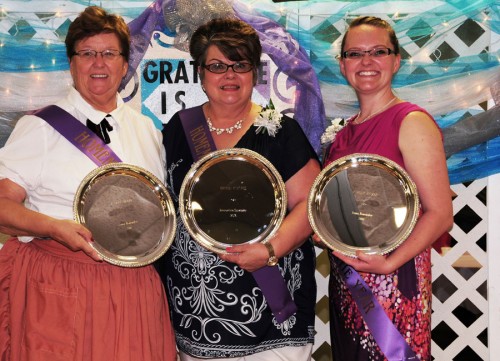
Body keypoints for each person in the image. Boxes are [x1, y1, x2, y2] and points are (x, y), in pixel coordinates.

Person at [0, 6, 176, 361]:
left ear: (125, 65)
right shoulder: (40, 127)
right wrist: (54, 227)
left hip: (133, 288)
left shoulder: (147, 130)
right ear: (72, 63)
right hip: (60, 284)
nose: (99, 63)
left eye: (109, 54)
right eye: (87, 53)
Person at [156, 18, 321, 360]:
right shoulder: (177, 130)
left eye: (240, 65)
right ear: (200, 73)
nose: (229, 75)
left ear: (254, 73)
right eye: (217, 66)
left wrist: (270, 250)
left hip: (271, 314)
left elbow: (309, 203)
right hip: (196, 314)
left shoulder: (281, 132)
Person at [322, 16, 454, 360]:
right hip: (347, 281)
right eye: (355, 54)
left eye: (378, 51)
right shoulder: (342, 133)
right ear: (342, 64)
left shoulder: (411, 122)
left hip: (394, 280)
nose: (366, 62)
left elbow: (440, 214)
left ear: (396, 60)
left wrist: (389, 263)